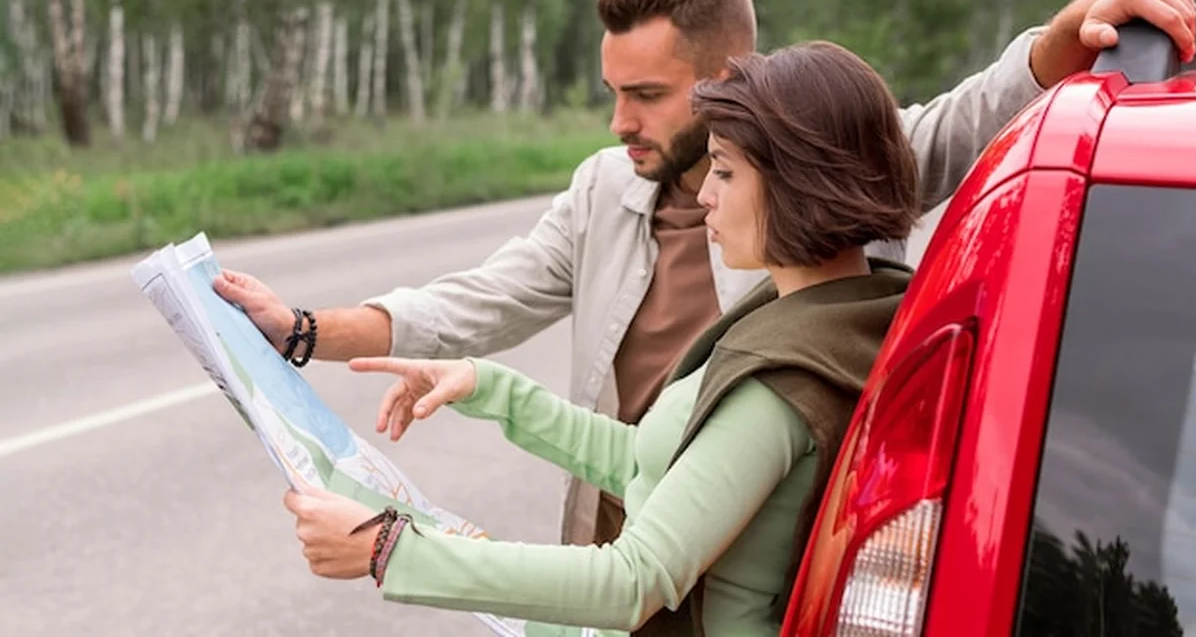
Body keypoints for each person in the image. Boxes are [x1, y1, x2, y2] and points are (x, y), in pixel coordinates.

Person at [219, 0, 1196, 548]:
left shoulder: (823, 168)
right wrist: (305, 330)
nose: (618, 121)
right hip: (613, 535)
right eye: (612, 91)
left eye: (645, 93)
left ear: (728, 80)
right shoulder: (605, 188)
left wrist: (1064, 37)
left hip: (760, 562)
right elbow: (481, 299)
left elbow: (961, 119)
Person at [284, 38, 923, 636]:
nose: (703, 193)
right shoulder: (839, 308)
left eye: (725, 172)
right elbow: (652, 463)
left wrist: (388, 549)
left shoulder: (786, 377)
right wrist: (488, 387)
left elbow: (634, 578)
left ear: (799, 183)